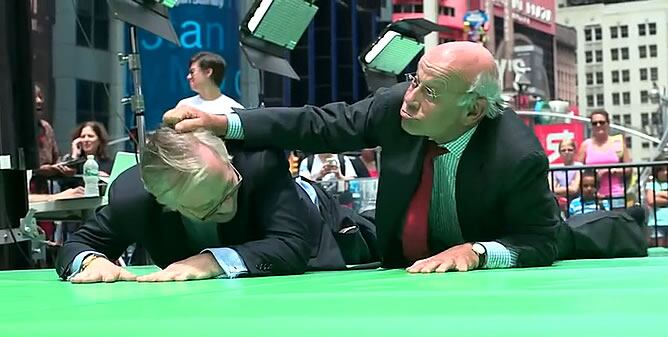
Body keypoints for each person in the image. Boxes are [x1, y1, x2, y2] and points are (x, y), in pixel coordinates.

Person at [164, 41, 648, 272]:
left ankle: (625, 223)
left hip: (478, 254)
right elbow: (319, 123)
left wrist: (477, 252)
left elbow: (538, 243)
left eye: (430, 91)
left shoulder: (516, 154)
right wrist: (226, 122)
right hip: (402, 253)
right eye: (415, 78)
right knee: (355, 231)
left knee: (568, 237)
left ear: (474, 109)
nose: (411, 98)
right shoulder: (398, 105)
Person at [56, 127, 373, 283]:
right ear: (166, 203)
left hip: (329, 228)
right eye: (209, 206)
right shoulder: (135, 201)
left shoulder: (260, 163)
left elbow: (290, 245)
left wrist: (207, 262)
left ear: (225, 157)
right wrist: (91, 263)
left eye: (229, 186)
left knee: (386, 236)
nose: (228, 203)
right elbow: (78, 244)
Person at [576, 110, 632, 209]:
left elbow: (628, 169)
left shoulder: (617, 142)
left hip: (616, 193)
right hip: (592, 195)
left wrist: (610, 171)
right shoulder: (585, 145)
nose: (598, 125)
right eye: (595, 123)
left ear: (608, 124)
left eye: (601, 122)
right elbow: (577, 170)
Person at [176, 51, 243, 115]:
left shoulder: (235, 109)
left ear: (208, 72)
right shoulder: (183, 106)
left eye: (192, 72)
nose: (188, 77)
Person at [549, 139, 582, 211]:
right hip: (559, 204)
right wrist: (569, 188)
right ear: (559, 153)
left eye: (570, 150)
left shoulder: (580, 166)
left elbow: (574, 189)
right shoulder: (554, 169)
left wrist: (559, 189)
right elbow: (551, 189)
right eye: (563, 150)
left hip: (577, 203)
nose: (566, 152)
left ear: (575, 151)